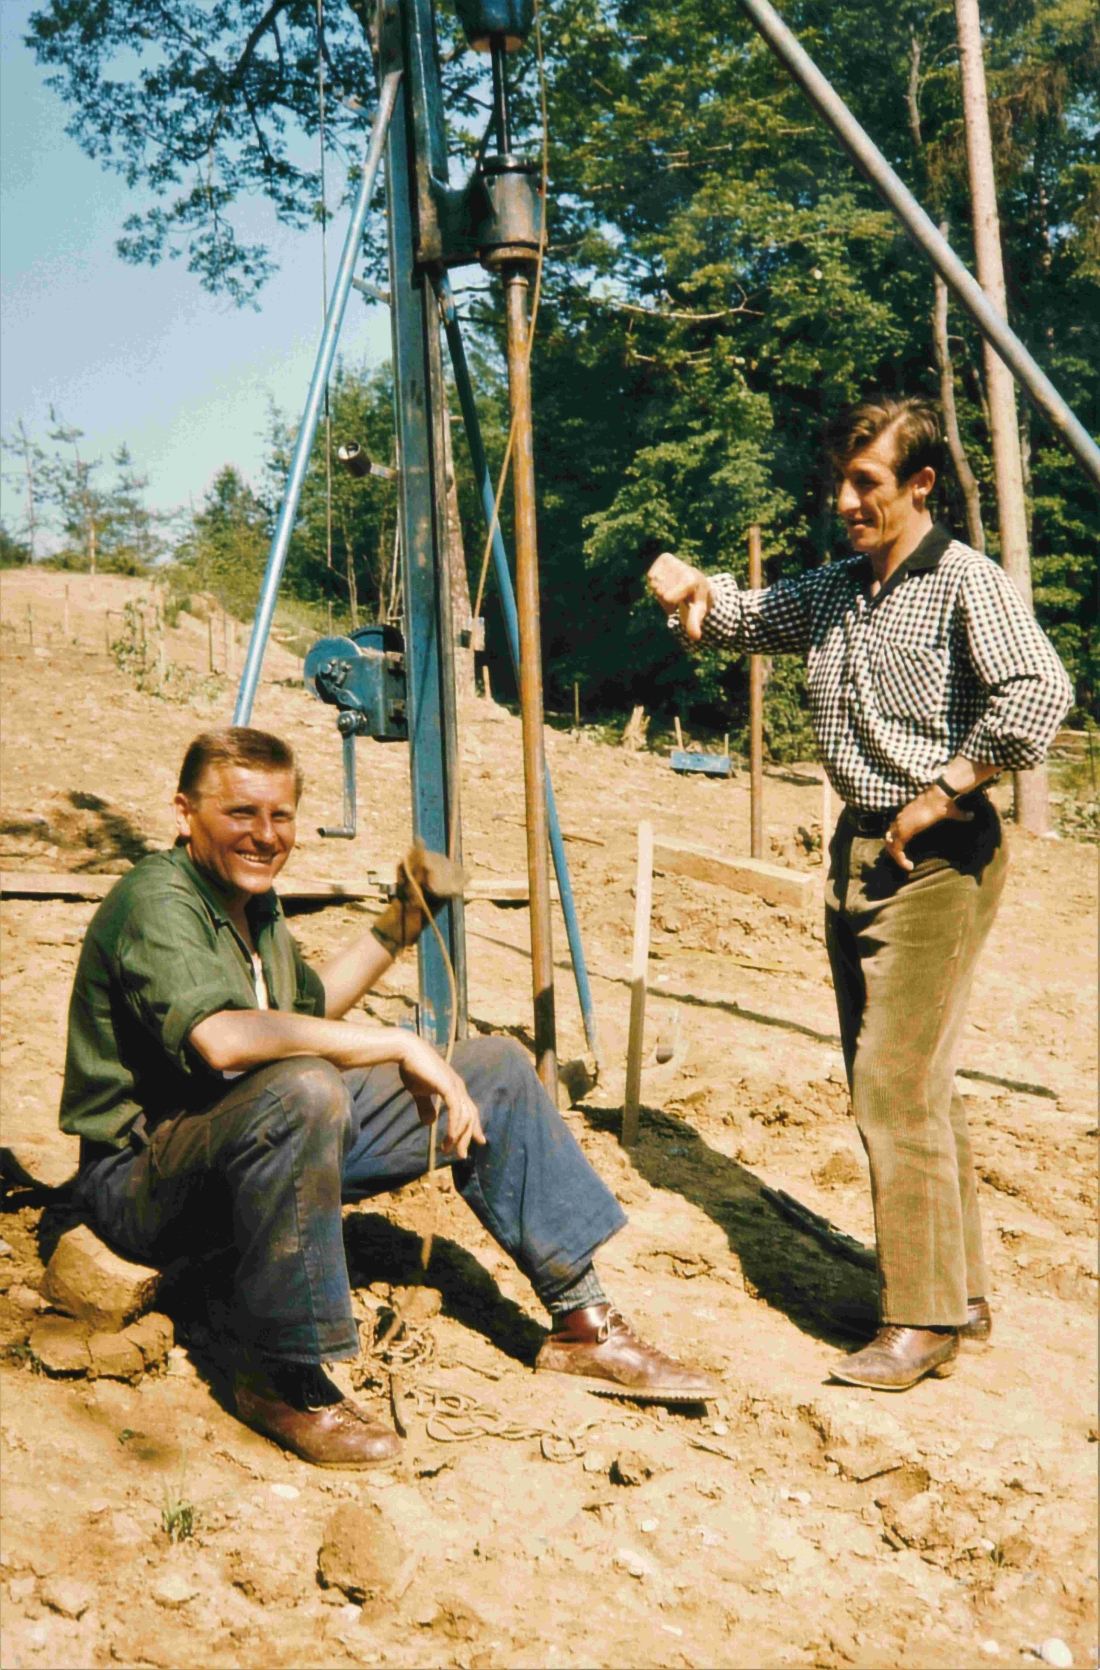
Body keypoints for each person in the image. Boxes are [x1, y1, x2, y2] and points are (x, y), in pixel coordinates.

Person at [60, 726, 718, 1467]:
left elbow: (308, 1009)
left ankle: (582, 1323)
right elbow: (225, 1039)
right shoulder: (157, 900)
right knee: (307, 1087)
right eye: (241, 814)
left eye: (281, 817)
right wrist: (400, 1043)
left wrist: (402, 923)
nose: (265, 835)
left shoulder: (253, 904)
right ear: (185, 813)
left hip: (251, 1139)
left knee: (494, 1067)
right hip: (141, 1183)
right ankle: (279, 1374)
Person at [648, 395, 1072, 1391]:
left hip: (938, 854)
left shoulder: (965, 582)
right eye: (838, 481)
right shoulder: (838, 588)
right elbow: (744, 618)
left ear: (918, 483)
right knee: (905, 1081)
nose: (844, 499)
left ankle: (917, 1319)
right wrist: (690, 590)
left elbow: (1038, 696)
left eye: (865, 482)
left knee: (888, 1081)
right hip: (855, 847)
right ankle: (955, 1291)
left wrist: (939, 793)